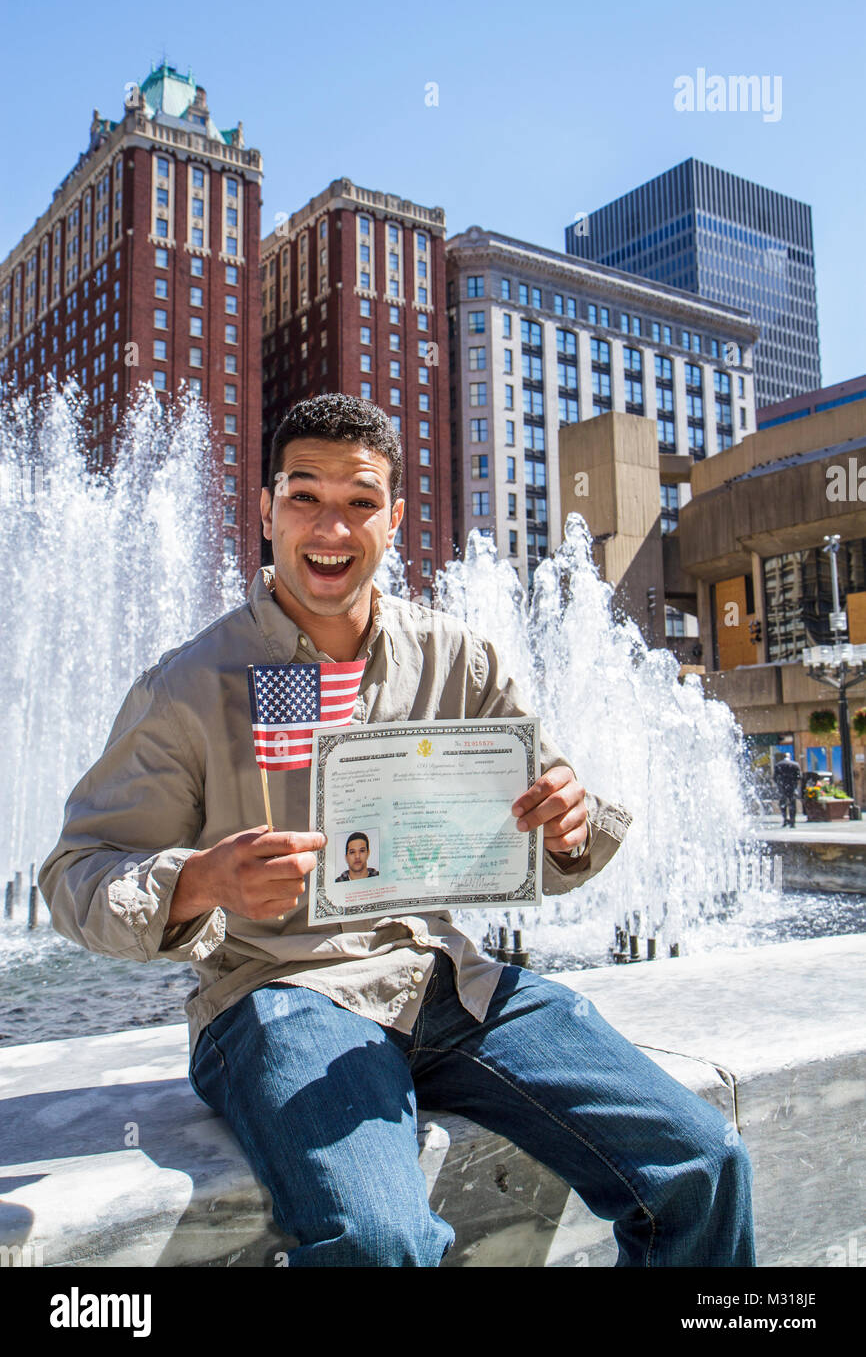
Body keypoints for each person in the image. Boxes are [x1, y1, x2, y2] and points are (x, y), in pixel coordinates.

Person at [40, 393, 755, 1268]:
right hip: (282, 992)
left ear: (396, 518)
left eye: (360, 501)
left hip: (453, 980)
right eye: (304, 496)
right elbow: (76, 872)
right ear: (265, 510)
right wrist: (201, 882)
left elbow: (551, 828)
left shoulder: (463, 658)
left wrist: (567, 824)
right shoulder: (191, 684)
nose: (331, 525)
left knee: (702, 1159)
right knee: (380, 1245)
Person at [774, 754, 802, 828]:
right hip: (792, 787)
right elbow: (799, 777)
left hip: (782, 787)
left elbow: (775, 777)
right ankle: (792, 821)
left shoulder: (778, 765)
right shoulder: (795, 765)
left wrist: (779, 784)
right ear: (789, 757)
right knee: (792, 804)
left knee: (783, 804)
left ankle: (785, 819)